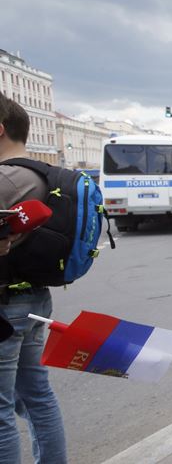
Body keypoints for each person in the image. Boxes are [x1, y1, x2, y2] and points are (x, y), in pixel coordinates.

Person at [0, 92, 67, 463]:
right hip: (33, 300)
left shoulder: (5, 179)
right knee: (37, 397)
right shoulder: (40, 173)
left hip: (6, 304)